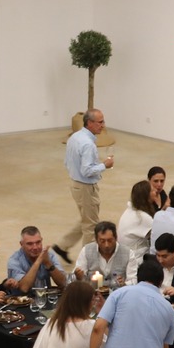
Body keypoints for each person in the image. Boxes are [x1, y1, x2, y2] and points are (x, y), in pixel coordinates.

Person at [60, 107, 114, 255]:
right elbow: (86, 171)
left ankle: (62, 246)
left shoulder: (75, 137)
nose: (103, 125)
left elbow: (67, 162)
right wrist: (104, 165)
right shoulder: (88, 144)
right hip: (85, 187)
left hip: (75, 185)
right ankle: (87, 261)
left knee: (86, 219)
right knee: (91, 227)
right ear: (89, 123)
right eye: (100, 122)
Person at [2, 225, 68, 293]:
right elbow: (24, 288)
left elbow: (63, 283)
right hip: (21, 298)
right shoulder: (14, 260)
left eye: (38, 242)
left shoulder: (49, 255)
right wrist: (38, 261)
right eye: (30, 244)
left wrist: (48, 263)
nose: (35, 247)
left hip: (45, 297)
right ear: (21, 244)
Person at [73, 222, 127, 289]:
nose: (106, 245)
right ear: (96, 240)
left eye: (110, 240)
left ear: (116, 238)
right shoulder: (86, 251)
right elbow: (75, 278)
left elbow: (133, 280)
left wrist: (125, 284)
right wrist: (79, 277)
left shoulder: (127, 253)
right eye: (102, 241)